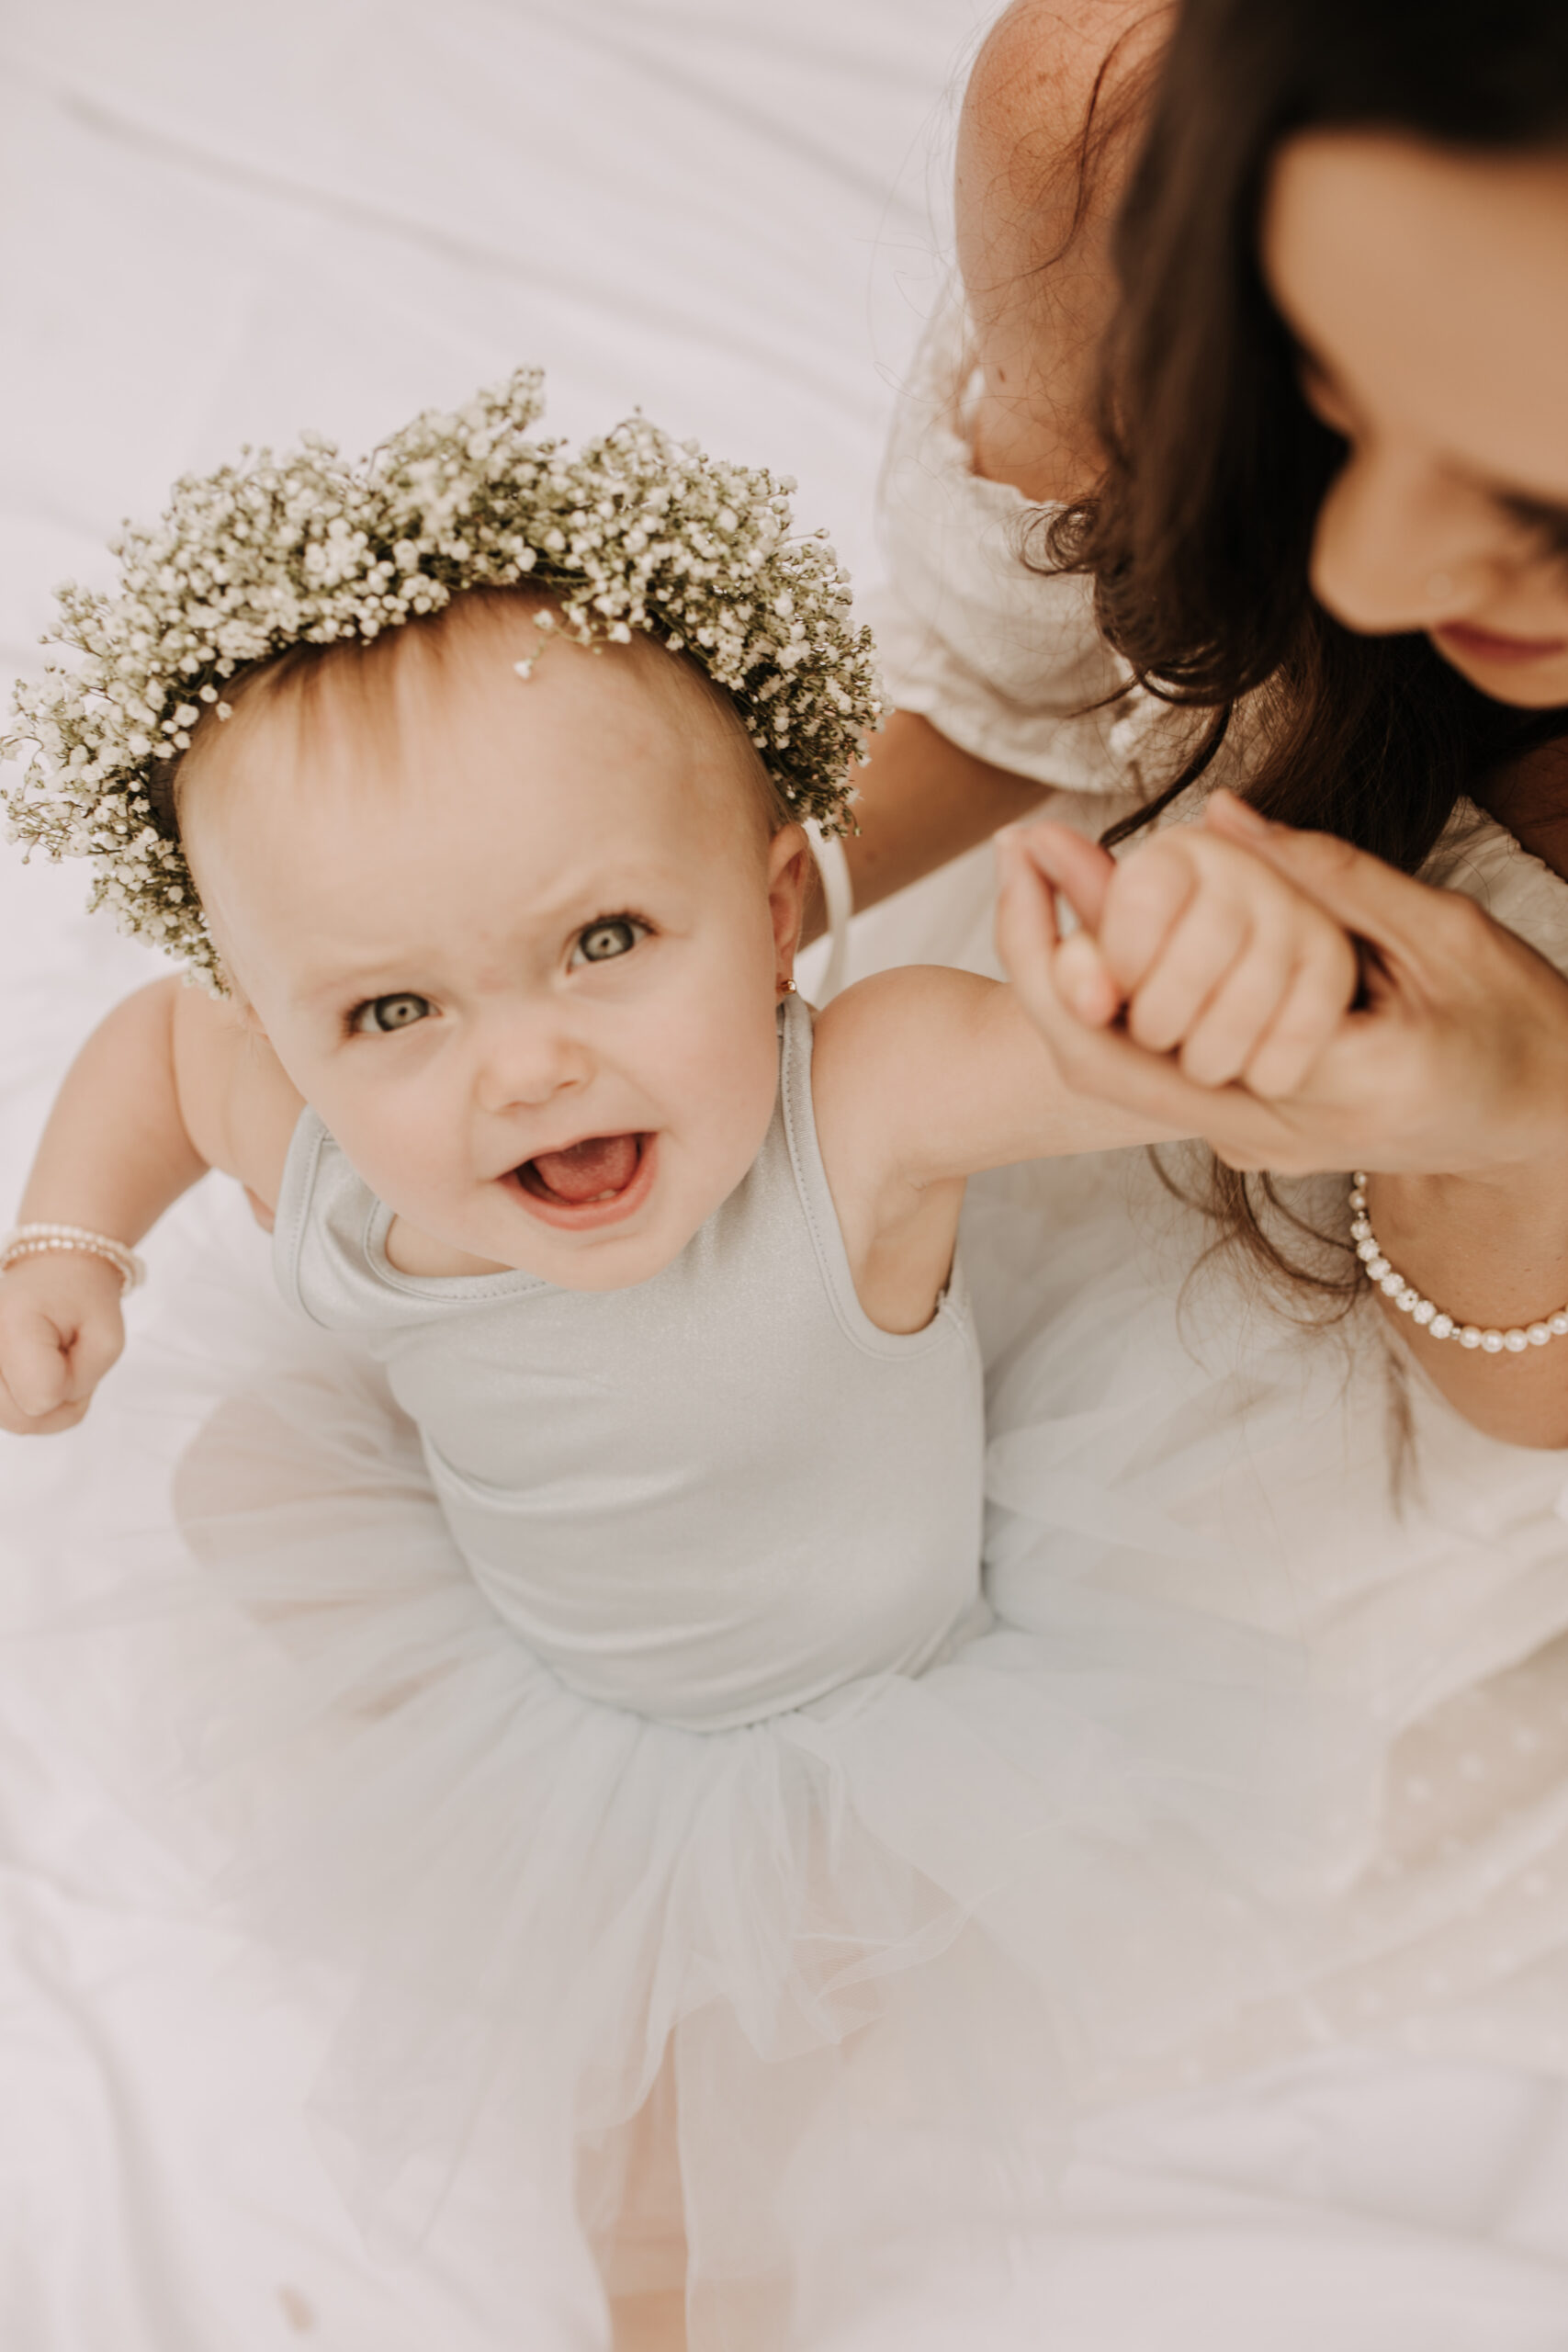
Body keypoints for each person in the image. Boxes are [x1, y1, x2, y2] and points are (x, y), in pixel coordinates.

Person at [0, 373, 1359, 2350]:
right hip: (550, 1646)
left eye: (608, 937)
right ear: (285, 1031)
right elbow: (148, 1044)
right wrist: (70, 1238)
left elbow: (1066, 1064)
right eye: (389, 1004)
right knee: (622, 2112)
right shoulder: (308, 1145)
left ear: (781, 908)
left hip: (824, 1706)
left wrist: (1166, 1005)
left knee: (752, 2067)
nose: (523, 1059)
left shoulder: (859, 1105)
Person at [795, 0, 1568, 2124]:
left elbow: (1509, 1408)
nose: (1366, 571)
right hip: (989, 1096)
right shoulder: (1114, 111)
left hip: (1392, 1415)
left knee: (859, 1927)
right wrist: (666, 916)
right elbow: (1020, 694)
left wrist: (1506, 1099)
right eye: (1324, 396)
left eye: (1535, 503)